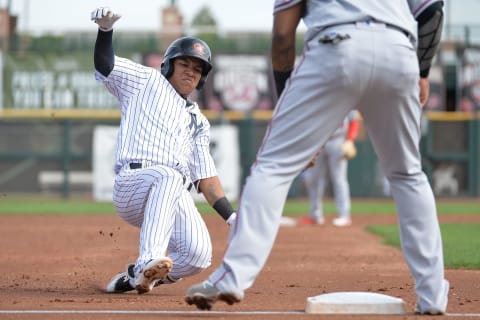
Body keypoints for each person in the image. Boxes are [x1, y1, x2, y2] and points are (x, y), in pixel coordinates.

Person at [185, 0, 449, 315]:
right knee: (408, 175)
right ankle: (433, 296)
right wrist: (421, 71)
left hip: (336, 46)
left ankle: (233, 276)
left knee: (273, 168)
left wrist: (286, 98)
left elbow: (283, 35)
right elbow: (432, 10)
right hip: (400, 50)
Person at [90, 7, 237, 295]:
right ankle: (148, 260)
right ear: (168, 65)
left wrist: (234, 219)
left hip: (168, 193)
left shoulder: (198, 120)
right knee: (170, 176)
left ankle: (137, 275)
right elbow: (105, 66)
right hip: (133, 184)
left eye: (197, 69)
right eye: (185, 64)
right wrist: (105, 31)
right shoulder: (146, 81)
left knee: (199, 254)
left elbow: (206, 179)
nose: (191, 72)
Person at [300, 110, 359, 227]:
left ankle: (344, 215)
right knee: (314, 178)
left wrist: (350, 140)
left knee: (339, 179)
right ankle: (315, 215)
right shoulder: (319, 96)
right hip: (319, 141)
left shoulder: (346, 96)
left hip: (338, 141)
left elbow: (354, 119)